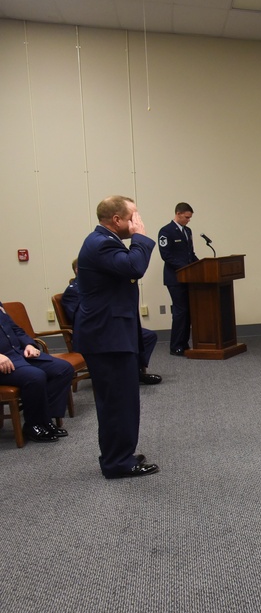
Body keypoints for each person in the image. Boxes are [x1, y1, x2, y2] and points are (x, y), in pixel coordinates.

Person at [75, 195, 159, 478]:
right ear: (117, 220)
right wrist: (140, 237)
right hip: (106, 337)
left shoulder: (105, 242)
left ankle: (121, 455)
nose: (137, 221)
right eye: (133, 216)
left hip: (110, 334)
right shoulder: (102, 244)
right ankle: (117, 463)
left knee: (122, 400)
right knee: (117, 403)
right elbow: (135, 266)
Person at [62, 258, 160, 384]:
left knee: (147, 336)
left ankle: (133, 371)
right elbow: (79, 317)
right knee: (126, 338)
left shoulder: (93, 286)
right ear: (78, 270)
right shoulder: (73, 291)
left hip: (109, 326)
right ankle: (131, 373)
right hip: (94, 332)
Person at [0, 301, 74, 442]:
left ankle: (45, 421)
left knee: (63, 369)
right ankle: (33, 425)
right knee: (35, 376)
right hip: (3, 363)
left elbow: (15, 329)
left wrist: (28, 344)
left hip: (18, 354)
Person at [157, 202, 198, 356]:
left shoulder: (188, 231)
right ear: (178, 213)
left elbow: (190, 254)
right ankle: (175, 346)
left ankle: (184, 343)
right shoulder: (166, 231)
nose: (188, 220)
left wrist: (199, 265)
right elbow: (166, 256)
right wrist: (185, 267)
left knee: (188, 311)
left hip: (188, 278)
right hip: (175, 278)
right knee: (180, 311)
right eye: (187, 217)